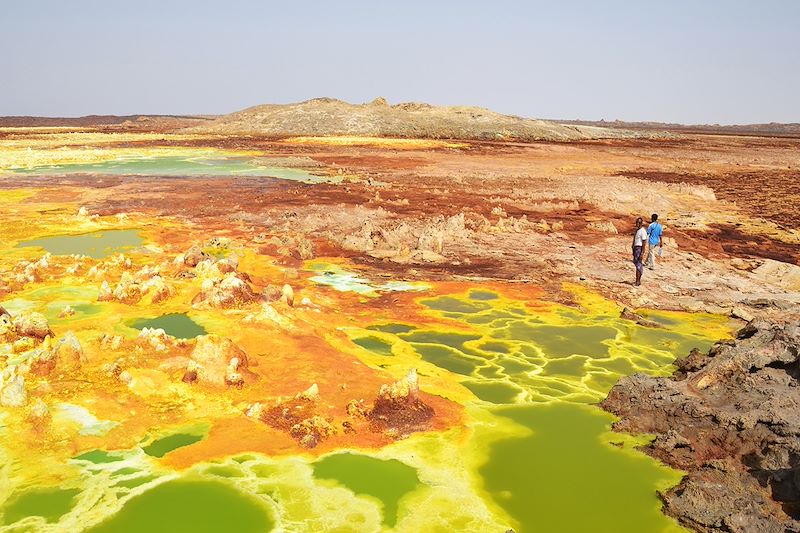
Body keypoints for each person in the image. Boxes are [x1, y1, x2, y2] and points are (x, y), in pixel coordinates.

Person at [632, 217, 647, 286]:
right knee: (637, 264)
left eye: (639, 222)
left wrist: (642, 252)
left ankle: (637, 281)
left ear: (641, 223)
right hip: (636, 248)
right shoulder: (637, 231)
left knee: (638, 265)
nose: (637, 224)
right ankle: (638, 281)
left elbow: (644, 242)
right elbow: (634, 240)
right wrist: (633, 248)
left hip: (639, 248)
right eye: (637, 222)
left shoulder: (642, 231)